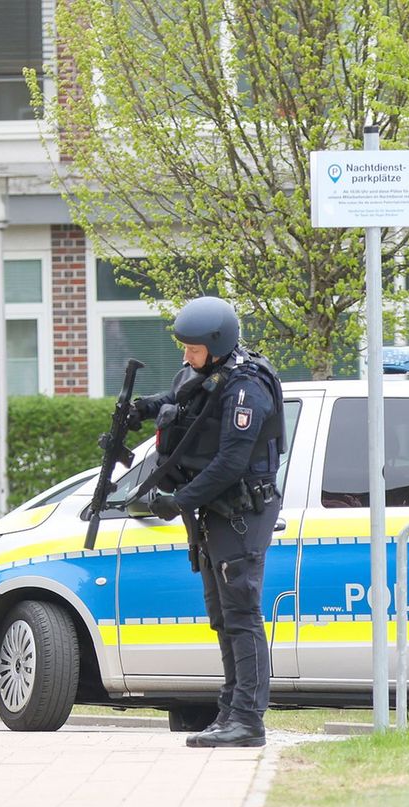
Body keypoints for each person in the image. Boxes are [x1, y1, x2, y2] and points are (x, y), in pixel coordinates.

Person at [128, 296, 284, 748]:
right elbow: (184, 397)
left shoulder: (246, 389)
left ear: (216, 344)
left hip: (241, 512)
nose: (185, 356)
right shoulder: (213, 374)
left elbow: (232, 462)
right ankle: (229, 711)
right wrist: (145, 408)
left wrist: (179, 500)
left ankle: (248, 721)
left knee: (241, 613)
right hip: (216, 512)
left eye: (192, 348)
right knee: (222, 614)